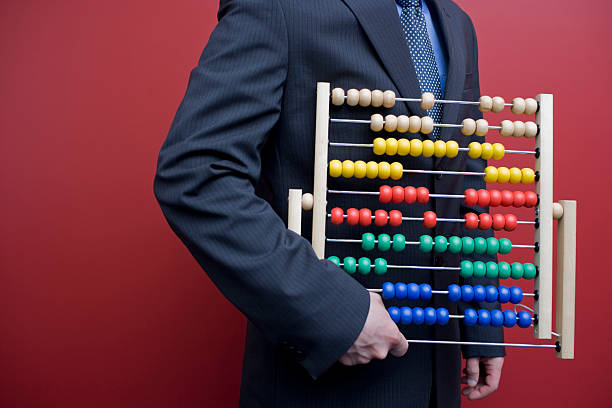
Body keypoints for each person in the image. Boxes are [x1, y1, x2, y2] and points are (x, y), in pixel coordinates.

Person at [154, 0, 504, 406]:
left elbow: (462, 177)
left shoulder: (456, 23)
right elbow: (198, 173)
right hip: (327, 376)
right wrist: (334, 312)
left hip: (437, 369)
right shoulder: (279, 7)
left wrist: (481, 313)